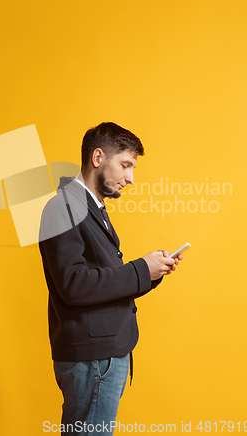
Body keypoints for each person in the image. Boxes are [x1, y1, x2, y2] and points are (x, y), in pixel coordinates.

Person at [39, 122, 182, 435]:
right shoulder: (63, 207)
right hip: (94, 359)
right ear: (98, 157)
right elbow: (74, 285)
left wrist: (152, 271)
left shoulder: (91, 208)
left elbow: (100, 279)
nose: (131, 178)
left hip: (103, 357)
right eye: (126, 165)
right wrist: (140, 270)